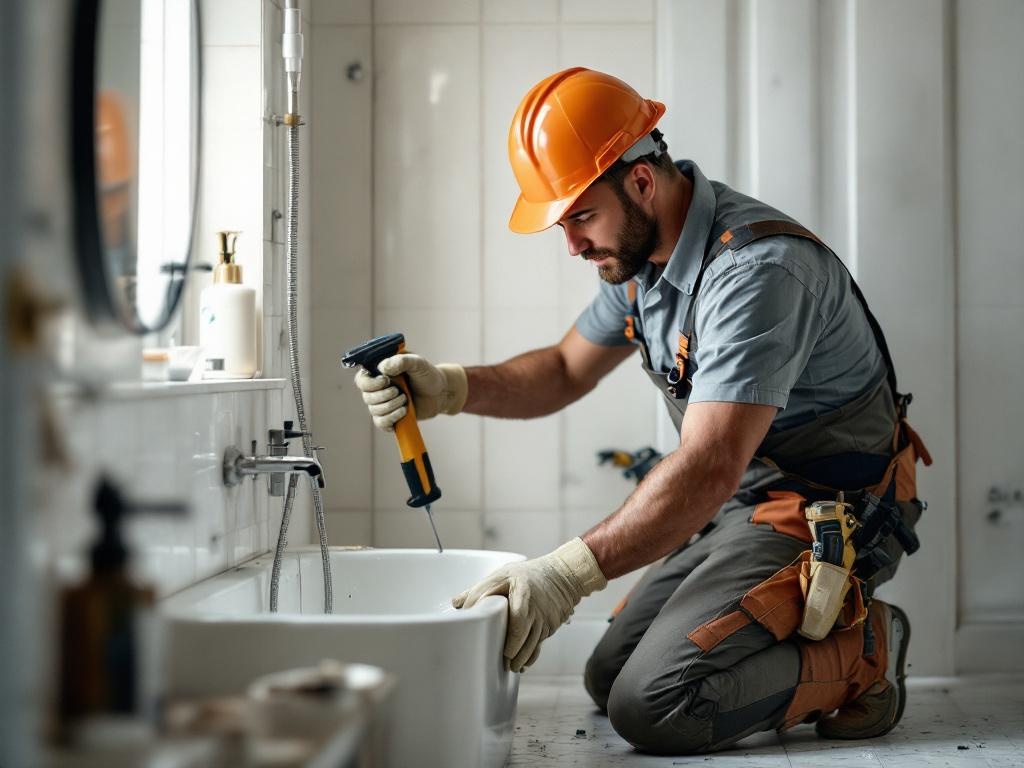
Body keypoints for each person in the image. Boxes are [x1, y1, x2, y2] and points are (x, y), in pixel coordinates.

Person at [352, 67, 931, 755]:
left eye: (581, 216)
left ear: (641, 182)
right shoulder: (640, 261)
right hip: (743, 505)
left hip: (828, 511)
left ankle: (870, 648)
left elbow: (710, 464)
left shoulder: (756, 274)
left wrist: (563, 575)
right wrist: (447, 386)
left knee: (656, 704)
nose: (572, 245)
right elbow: (564, 369)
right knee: (609, 675)